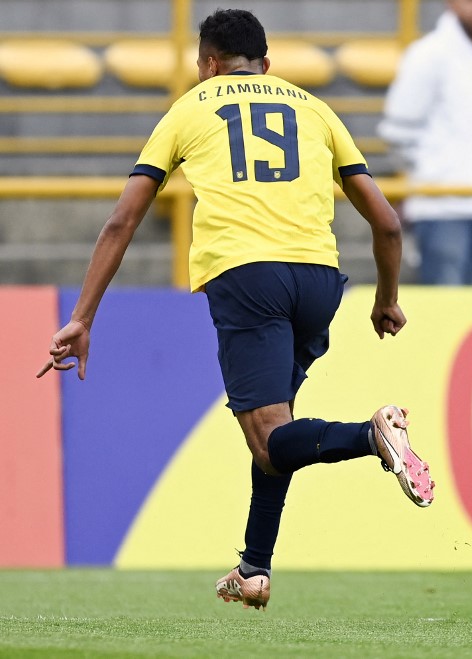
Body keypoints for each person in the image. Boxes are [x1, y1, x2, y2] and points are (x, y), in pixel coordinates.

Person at [36, 8, 434, 610]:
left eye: (202, 66)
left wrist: (84, 316)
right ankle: (254, 567)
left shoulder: (191, 108)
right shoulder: (316, 110)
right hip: (320, 280)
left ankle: (372, 435)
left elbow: (123, 219)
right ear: (267, 64)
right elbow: (387, 222)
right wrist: (386, 300)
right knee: (279, 429)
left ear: (209, 64)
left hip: (248, 275)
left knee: (271, 439)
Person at [378, 0, 472, 285]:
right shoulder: (428, 54)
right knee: (445, 309)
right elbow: (397, 130)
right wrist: (433, 171)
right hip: (443, 207)